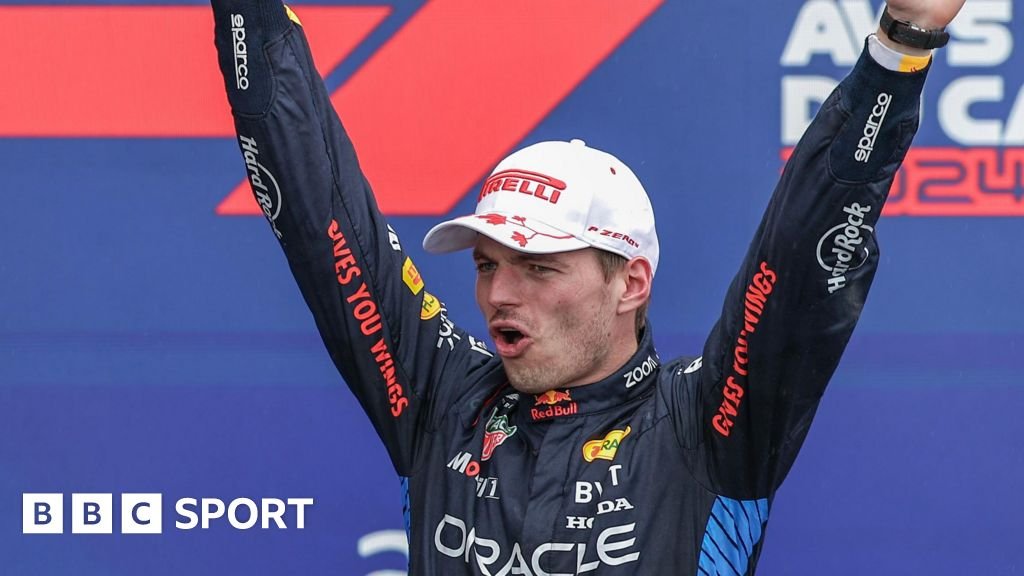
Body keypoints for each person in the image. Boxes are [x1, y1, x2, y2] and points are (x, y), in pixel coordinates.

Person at [209, 0, 966, 573]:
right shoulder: (442, 398)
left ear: (630, 281)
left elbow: (800, 261)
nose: (500, 294)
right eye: (485, 263)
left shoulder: (706, 428)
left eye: (538, 268)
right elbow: (318, 214)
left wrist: (899, 48)